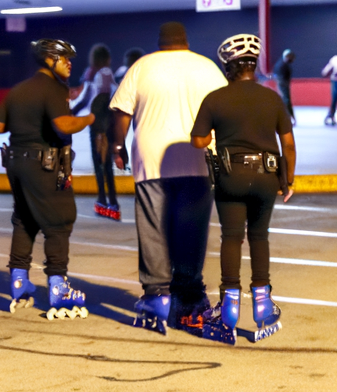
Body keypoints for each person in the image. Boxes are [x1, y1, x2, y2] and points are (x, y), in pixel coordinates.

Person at [110, 21, 227, 334]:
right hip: (199, 159)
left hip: (151, 160)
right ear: (185, 40)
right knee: (192, 229)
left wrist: (117, 147)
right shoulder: (208, 68)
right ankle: (189, 299)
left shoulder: (142, 67)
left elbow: (121, 113)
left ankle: (156, 297)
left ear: (160, 41)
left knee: (153, 229)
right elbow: (226, 113)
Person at [190, 34, 295, 345]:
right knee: (259, 236)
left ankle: (229, 310)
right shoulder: (272, 98)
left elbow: (198, 140)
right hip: (267, 176)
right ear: (254, 66)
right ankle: (263, 306)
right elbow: (287, 145)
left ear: (229, 67)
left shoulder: (215, 98)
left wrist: (210, 139)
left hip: (231, 176)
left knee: (232, 237)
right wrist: (287, 181)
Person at [0, 39, 94, 318]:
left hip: (15, 163)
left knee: (25, 219)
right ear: (49, 60)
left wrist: (25, 120)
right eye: (64, 58)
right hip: (43, 164)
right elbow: (63, 125)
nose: (70, 63)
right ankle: (58, 287)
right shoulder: (54, 89)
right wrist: (90, 119)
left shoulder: (19, 89)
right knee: (59, 221)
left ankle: (19, 281)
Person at [71, 44, 119, 220]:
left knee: (99, 162)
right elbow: (112, 96)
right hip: (108, 122)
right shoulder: (107, 73)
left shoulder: (91, 73)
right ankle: (111, 202)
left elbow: (86, 99)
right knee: (107, 164)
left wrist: (73, 112)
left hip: (95, 122)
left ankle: (103, 199)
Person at [275, 49, 296, 126]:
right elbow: (281, 79)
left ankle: (290, 117)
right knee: (286, 101)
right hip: (283, 85)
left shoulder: (283, 64)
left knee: (286, 101)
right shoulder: (281, 65)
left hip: (284, 85)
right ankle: (288, 118)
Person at [322, 54, 337, 126]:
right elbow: (326, 71)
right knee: (334, 98)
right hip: (335, 81)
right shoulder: (335, 59)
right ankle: (330, 115)